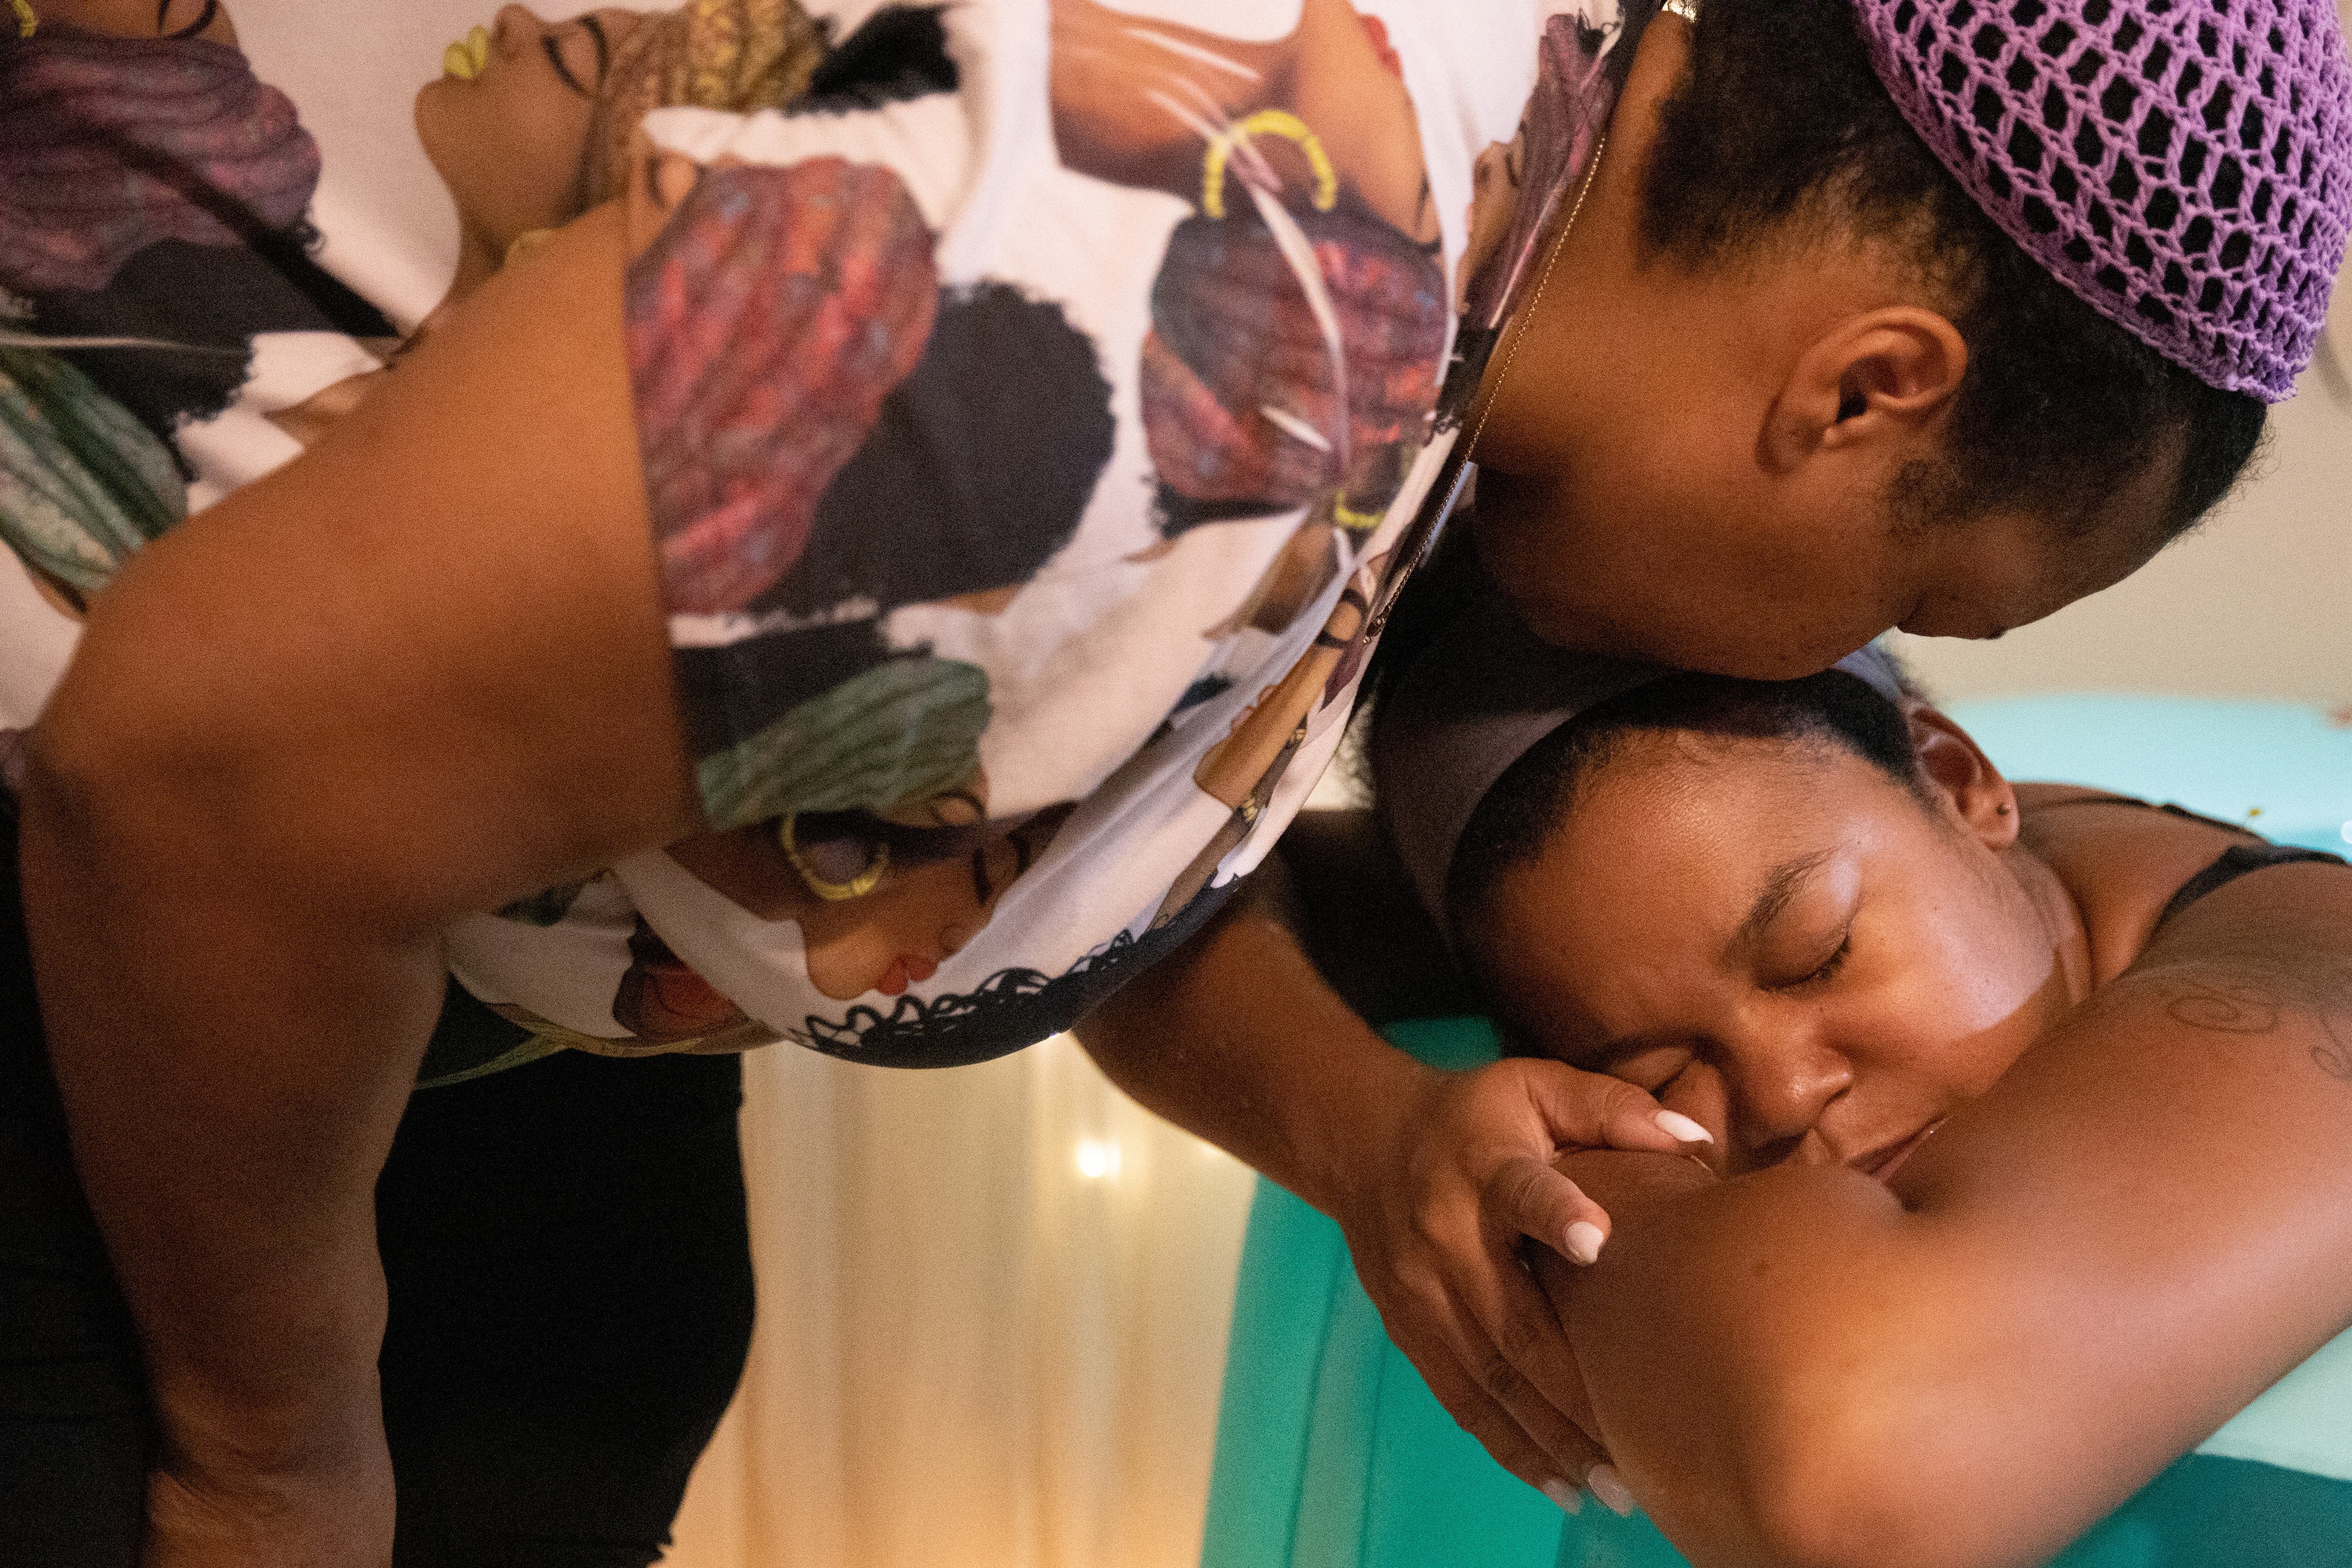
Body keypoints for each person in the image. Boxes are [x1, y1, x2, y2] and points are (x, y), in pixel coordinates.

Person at [3, 2, 2345, 1566]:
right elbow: (196, 784)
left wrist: (1357, 1126)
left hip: (477, 1057)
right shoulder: (1209, 312)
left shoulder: (1473, 201)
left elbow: (1015, 763)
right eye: (1931, 588)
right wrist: (267, 1447)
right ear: (1859, 392)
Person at [1348, 616, 2352, 1565]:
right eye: (1654, 1071)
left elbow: (1859, 1468)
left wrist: (1574, 1181)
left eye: (1818, 959)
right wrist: (1369, 1124)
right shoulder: (1802, 830)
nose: (1782, 1097)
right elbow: (1223, 893)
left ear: (1962, 786)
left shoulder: (2306, 980)